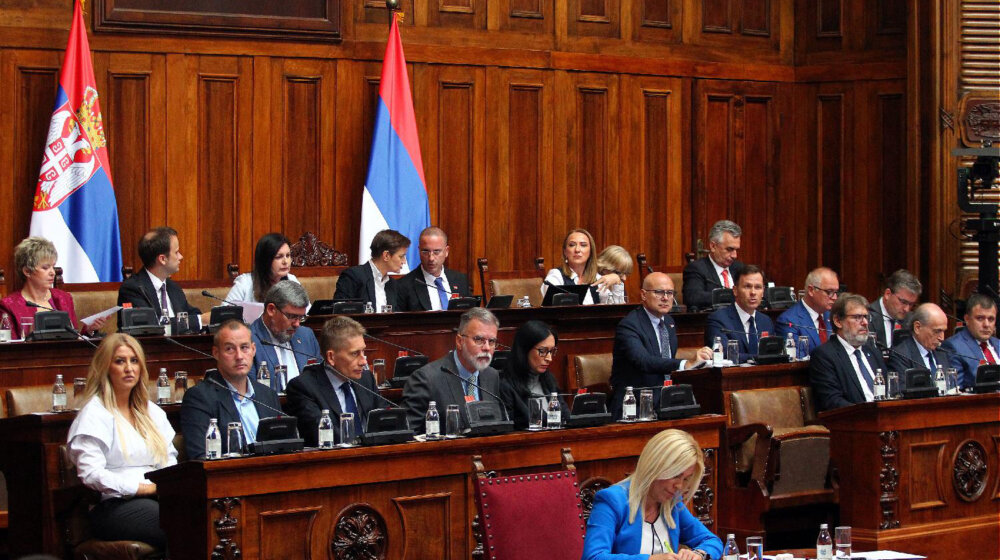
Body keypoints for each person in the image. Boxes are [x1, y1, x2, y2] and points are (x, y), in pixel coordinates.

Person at [66, 333, 177, 551]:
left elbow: (169, 460)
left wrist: (168, 486)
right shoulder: (94, 414)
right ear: (105, 368)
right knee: (176, 522)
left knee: (199, 514)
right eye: (120, 361)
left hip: (159, 496)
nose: (129, 368)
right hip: (114, 506)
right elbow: (91, 474)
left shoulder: (152, 411)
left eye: (134, 361)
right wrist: (140, 488)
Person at [581, 429, 723, 560]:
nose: (679, 485)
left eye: (685, 479)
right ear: (655, 466)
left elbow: (711, 541)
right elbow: (593, 557)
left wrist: (698, 554)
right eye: (675, 475)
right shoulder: (612, 500)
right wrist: (650, 559)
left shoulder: (672, 503)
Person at [611, 273, 713, 419]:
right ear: (643, 295)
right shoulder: (629, 325)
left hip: (666, 402)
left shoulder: (669, 322)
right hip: (635, 406)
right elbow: (644, 361)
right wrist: (686, 363)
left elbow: (666, 362)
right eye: (659, 292)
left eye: (670, 293)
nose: (665, 298)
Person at [180, 320, 281, 459]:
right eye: (230, 349)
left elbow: (283, 446)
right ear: (216, 353)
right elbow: (200, 457)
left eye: (244, 347)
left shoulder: (268, 395)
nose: (239, 356)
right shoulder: (199, 398)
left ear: (253, 350)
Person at [401, 307, 503, 433]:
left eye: (492, 341)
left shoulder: (491, 375)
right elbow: (408, 434)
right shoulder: (426, 379)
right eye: (479, 339)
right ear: (459, 341)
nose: (487, 347)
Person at [284, 316, 380, 446]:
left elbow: (384, 420)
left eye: (363, 351)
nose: (363, 361)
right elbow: (323, 435)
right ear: (331, 357)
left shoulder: (366, 379)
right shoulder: (303, 387)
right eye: (354, 354)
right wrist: (362, 441)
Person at [0, 236, 106, 338]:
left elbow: (73, 339)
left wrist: (89, 330)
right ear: (27, 271)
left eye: (53, 266)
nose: (53, 272)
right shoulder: (9, 305)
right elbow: (10, 346)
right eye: (45, 268)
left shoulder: (63, 298)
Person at [117, 226, 209, 330]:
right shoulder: (132, 289)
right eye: (176, 252)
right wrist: (200, 320)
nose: (181, 257)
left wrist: (213, 317)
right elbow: (150, 326)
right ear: (162, 259)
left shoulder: (172, 287)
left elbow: (190, 313)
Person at [809, 293, 889, 411]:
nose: (865, 323)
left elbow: (889, 391)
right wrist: (867, 413)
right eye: (857, 317)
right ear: (838, 321)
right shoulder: (824, 356)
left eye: (866, 317)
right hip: (853, 418)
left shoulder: (873, 352)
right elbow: (832, 401)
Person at [249, 281, 321, 391]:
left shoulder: (306, 336)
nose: (297, 324)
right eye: (292, 316)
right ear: (271, 309)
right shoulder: (248, 341)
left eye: (301, 317)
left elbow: (320, 381)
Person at [498, 320, 567, 430]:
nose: (549, 358)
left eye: (551, 351)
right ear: (524, 350)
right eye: (542, 351)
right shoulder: (506, 386)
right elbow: (508, 431)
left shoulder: (549, 380)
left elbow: (566, 417)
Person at [704, 265, 774, 363]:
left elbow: (773, 352)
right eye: (747, 286)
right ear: (735, 290)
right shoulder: (718, 320)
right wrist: (760, 358)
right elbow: (724, 354)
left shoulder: (766, 321)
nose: (753, 292)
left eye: (758, 287)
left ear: (763, 292)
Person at [394, 227, 471, 312]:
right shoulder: (404, 285)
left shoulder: (460, 280)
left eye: (436, 251)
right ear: (419, 251)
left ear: (446, 251)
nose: (431, 258)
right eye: (425, 251)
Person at [333, 229, 409, 311]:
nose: (404, 261)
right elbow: (341, 313)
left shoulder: (393, 284)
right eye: (401, 256)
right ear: (386, 255)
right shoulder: (353, 276)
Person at [541, 229, 621, 306]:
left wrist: (617, 283)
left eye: (583, 245)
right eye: (572, 245)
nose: (577, 250)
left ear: (591, 251)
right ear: (565, 251)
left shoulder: (597, 278)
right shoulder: (556, 275)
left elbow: (615, 309)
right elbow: (553, 308)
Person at [682, 220, 745, 311]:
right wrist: (735, 295)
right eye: (729, 249)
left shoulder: (740, 268)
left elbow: (762, 291)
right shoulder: (697, 268)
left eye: (736, 250)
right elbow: (693, 297)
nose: (734, 255)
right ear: (713, 246)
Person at [775, 267, 839, 354]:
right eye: (829, 292)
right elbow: (798, 357)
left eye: (836, 292)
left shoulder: (834, 317)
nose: (835, 297)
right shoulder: (788, 321)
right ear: (811, 290)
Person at [943, 293, 1000, 389]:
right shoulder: (954, 346)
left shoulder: (998, 343)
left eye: (991, 319)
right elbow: (955, 390)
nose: (986, 324)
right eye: (980, 318)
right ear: (967, 319)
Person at [225, 233, 300, 304]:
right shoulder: (245, 283)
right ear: (265, 260)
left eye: (288, 255)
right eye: (278, 257)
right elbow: (225, 312)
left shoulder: (292, 280)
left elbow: (304, 311)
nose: (285, 261)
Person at [887, 303, 950, 376]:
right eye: (937, 331)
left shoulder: (942, 352)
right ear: (917, 327)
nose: (942, 338)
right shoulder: (901, 356)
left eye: (943, 331)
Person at [868, 269, 922, 348]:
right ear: (888, 294)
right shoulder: (866, 317)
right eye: (903, 302)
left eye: (911, 304)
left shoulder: (911, 320)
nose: (907, 309)